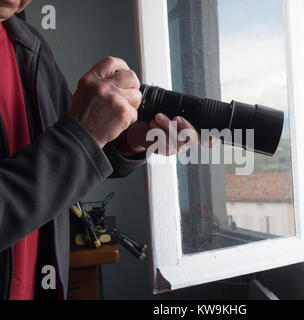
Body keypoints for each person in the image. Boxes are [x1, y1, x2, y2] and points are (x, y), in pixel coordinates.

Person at [0, 0, 198, 300]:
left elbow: (62, 159)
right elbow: (71, 144)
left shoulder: (27, 42)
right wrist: (83, 135)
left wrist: (127, 139)